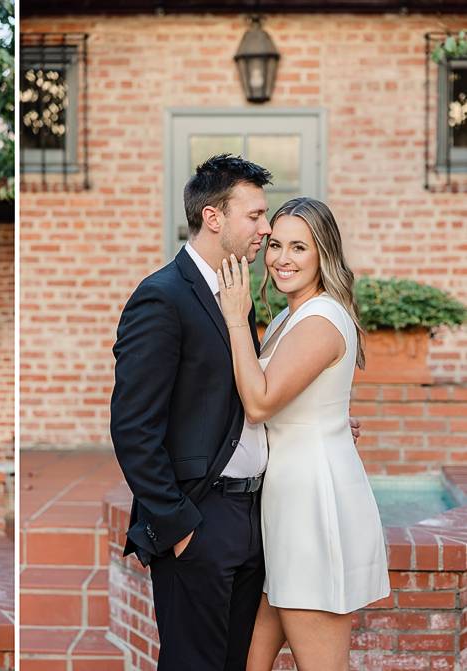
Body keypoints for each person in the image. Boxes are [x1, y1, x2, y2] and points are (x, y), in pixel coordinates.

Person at [110, 154, 361, 671]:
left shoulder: (237, 295)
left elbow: (243, 396)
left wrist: (316, 423)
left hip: (257, 516)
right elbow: (133, 428)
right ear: (213, 217)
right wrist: (180, 528)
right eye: (256, 217)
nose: (265, 230)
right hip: (201, 518)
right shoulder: (161, 297)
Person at [216, 197, 389, 671]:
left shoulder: (320, 319)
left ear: (323, 254)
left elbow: (258, 402)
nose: (281, 258)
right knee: (251, 659)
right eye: (275, 245)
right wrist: (332, 420)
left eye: (299, 247)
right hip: (283, 502)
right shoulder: (286, 319)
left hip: (313, 508)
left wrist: (235, 315)